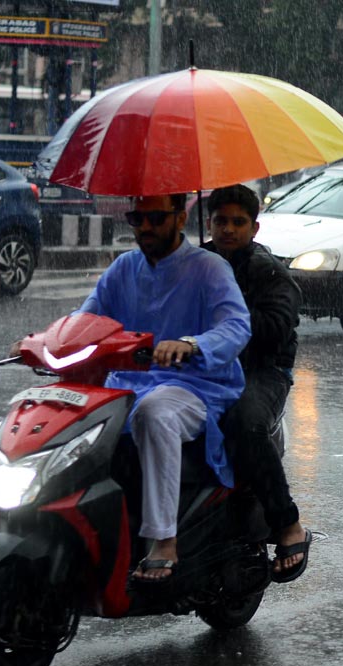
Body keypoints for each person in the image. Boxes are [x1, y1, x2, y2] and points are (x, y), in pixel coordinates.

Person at [77, 194, 251, 585]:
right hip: (127, 386)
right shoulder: (124, 268)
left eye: (156, 217)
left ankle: (164, 539)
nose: (146, 227)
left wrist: (192, 344)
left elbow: (237, 327)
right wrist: (45, 341)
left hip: (197, 386)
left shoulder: (210, 269)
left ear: (180, 216)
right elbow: (86, 318)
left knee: (154, 413)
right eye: (138, 218)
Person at [202, 184, 313, 583]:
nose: (228, 230)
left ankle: (287, 524)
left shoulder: (267, 270)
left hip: (262, 370)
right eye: (220, 221)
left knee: (246, 423)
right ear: (209, 223)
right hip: (203, 366)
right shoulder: (196, 263)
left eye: (238, 222)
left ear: (254, 227)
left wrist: (229, 315)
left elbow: (276, 327)